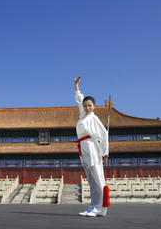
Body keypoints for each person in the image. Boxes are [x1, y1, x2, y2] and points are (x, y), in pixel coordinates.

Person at [74, 75, 109, 217]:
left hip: (93, 149)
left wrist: (105, 151)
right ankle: (93, 206)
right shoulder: (83, 116)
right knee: (90, 180)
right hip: (83, 149)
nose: (87, 107)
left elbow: (104, 134)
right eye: (85, 105)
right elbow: (78, 99)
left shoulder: (94, 118)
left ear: (94, 107)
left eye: (90, 105)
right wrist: (76, 86)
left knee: (98, 178)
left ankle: (101, 208)